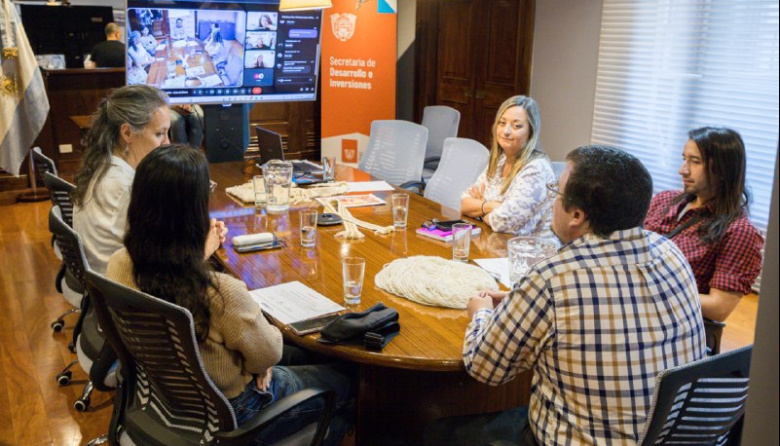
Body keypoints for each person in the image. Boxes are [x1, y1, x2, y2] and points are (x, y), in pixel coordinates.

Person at [427, 145, 706, 445]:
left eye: (556, 193)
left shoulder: (554, 277)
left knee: (435, 428)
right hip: (668, 436)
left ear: (576, 215)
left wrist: (482, 311)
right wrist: (522, 304)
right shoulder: (671, 253)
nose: (552, 201)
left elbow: (484, 367)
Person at [106, 144, 354, 445]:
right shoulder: (220, 293)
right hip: (237, 410)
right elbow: (269, 353)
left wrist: (199, 253)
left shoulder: (119, 264)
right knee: (352, 379)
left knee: (305, 353)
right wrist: (261, 364)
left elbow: (169, 282)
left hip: (168, 394)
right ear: (194, 211)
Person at [644, 127, 764, 322]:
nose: (683, 170)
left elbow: (718, 308)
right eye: (684, 159)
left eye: (695, 161)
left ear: (723, 170)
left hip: (670, 322)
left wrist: (648, 290)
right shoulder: (664, 200)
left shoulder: (739, 231)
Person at [71, 85, 172, 275]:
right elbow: (163, 270)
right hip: (122, 288)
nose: (167, 143)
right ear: (127, 133)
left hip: (101, 282)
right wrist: (207, 246)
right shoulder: (127, 187)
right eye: (160, 133)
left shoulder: (101, 165)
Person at [460, 95, 555, 236]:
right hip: (494, 240)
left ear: (531, 132)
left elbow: (504, 222)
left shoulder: (536, 169)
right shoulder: (500, 161)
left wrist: (480, 209)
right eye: (502, 123)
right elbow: (462, 203)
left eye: (517, 126)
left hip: (529, 247)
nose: (506, 131)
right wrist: (489, 206)